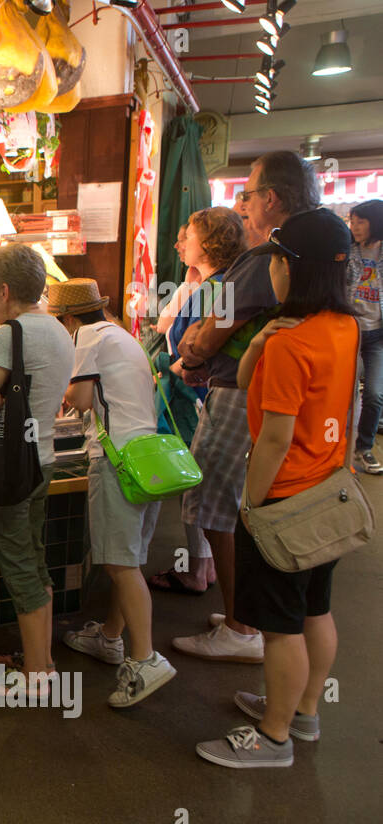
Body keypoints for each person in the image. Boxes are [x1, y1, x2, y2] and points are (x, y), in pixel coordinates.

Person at [197, 207, 358, 768]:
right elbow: (247, 382)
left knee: (279, 628)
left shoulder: (296, 344)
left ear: (292, 269)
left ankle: (273, 737)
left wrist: (251, 506)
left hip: (284, 499)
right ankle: (303, 713)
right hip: (328, 492)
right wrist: (261, 340)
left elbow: (273, 440)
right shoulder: (343, 327)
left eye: (277, 260)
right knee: (315, 611)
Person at [174, 151, 319, 663]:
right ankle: (248, 620)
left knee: (217, 503)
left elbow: (209, 334)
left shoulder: (267, 260)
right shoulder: (312, 253)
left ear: (272, 199)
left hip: (240, 396)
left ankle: (240, 626)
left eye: (250, 193)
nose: (245, 203)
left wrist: (193, 348)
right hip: (288, 400)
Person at [51, 279, 176, 706]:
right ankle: (110, 637)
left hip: (116, 459)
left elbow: (82, 398)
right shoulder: (122, 334)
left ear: (68, 319)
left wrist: (58, 384)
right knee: (131, 558)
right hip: (147, 458)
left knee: (119, 564)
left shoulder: (86, 336)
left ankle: (145, 660)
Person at [0, 243, 76, 699]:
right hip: (44, 460)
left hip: (13, 467)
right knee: (35, 558)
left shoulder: (12, 333)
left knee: (19, 567)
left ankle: (36, 676)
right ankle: (43, 661)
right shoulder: (56, 328)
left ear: (4, 289)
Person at [147, 206, 246, 596]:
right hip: (201, 394)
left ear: (206, 244)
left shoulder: (215, 289)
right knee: (198, 484)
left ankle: (205, 575)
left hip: (200, 397)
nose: (180, 243)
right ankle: (201, 566)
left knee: (199, 485)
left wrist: (169, 371)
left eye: (187, 237)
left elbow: (195, 352)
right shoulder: (212, 285)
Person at [348, 199, 383, 474]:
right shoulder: (347, 251)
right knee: (346, 395)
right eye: (352, 220)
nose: (354, 226)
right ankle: (339, 448)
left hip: (377, 336)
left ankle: (364, 448)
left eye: (360, 221)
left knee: (374, 394)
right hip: (349, 332)